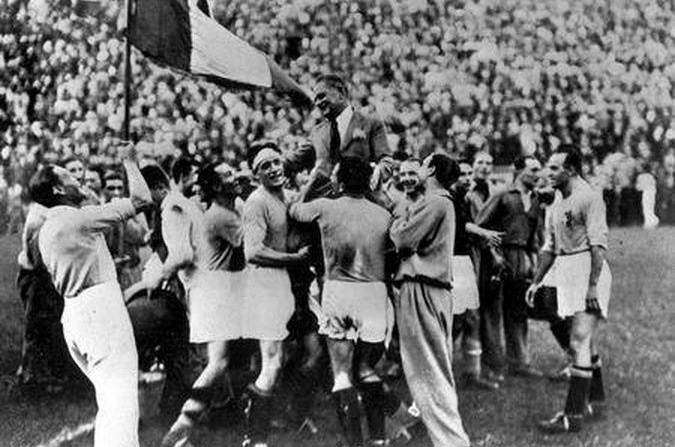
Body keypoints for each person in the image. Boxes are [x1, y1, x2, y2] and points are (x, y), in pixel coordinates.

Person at [35, 142, 151, 447]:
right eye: (69, 176)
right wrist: (128, 161)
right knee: (122, 407)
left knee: (111, 405)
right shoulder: (79, 218)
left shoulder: (47, 228)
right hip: (100, 310)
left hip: (74, 315)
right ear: (59, 190)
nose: (79, 178)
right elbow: (142, 199)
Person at [290, 157, 392, 446]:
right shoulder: (382, 214)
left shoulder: (324, 207)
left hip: (340, 290)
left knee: (342, 375)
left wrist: (312, 181)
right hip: (374, 293)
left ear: (339, 180)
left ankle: (354, 443)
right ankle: (379, 440)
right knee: (367, 369)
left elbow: (294, 210)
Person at [153, 161, 248, 447]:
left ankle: (227, 409)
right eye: (228, 174)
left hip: (214, 289)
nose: (236, 176)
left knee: (222, 359)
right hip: (213, 289)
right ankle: (180, 429)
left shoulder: (212, 210)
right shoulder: (218, 215)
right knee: (218, 362)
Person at [528, 144, 612, 433]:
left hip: (588, 270)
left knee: (578, 341)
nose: (547, 172)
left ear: (572, 169)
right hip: (567, 271)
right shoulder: (556, 203)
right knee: (583, 340)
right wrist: (537, 281)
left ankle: (572, 416)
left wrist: (591, 288)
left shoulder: (589, 198)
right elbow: (549, 248)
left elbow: (598, 246)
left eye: (554, 167)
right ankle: (596, 401)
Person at [390, 153, 470, 447]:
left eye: (422, 164)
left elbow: (402, 240)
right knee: (433, 368)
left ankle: (451, 442)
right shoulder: (438, 201)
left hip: (422, 288)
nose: (419, 170)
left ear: (432, 169)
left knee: (428, 372)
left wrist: (397, 219)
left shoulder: (435, 201)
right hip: (431, 289)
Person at [241, 141, 309, 447]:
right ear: (256, 175)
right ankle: (255, 438)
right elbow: (253, 251)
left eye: (276, 162)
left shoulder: (288, 197)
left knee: (297, 354)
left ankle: (276, 417)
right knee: (272, 362)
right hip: (265, 284)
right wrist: (293, 259)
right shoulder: (257, 202)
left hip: (286, 283)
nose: (274, 169)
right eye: (264, 166)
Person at [475, 156, 544, 378]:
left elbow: (534, 233)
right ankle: (493, 365)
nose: (537, 174)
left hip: (521, 259)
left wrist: (533, 259)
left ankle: (520, 362)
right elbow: (480, 227)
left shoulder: (535, 198)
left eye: (538, 170)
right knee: (493, 312)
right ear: (519, 170)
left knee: (518, 311)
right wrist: (493, 253)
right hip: (498, 258)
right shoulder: (502, 194)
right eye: (533, 170)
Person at [450, 159, 502, 390]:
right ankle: (445, 374)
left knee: (472, 318)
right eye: (462, 173)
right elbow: (463, 226)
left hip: (465, 262)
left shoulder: (462, 199)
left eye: (468, 173)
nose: (467, 177)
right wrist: (484, 232)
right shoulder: (447, 200)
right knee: (455, 322)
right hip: (451, 262)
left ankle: (473, 373)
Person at [308, 73, 390, 195]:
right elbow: (297, 159)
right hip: (328, 205)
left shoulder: (371, 123)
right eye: (315, 99)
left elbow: (386, 161)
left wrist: (378, 172)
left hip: (362, 200)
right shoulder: (317, 132)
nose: (318, 103)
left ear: (341, 94)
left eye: (321, 96)